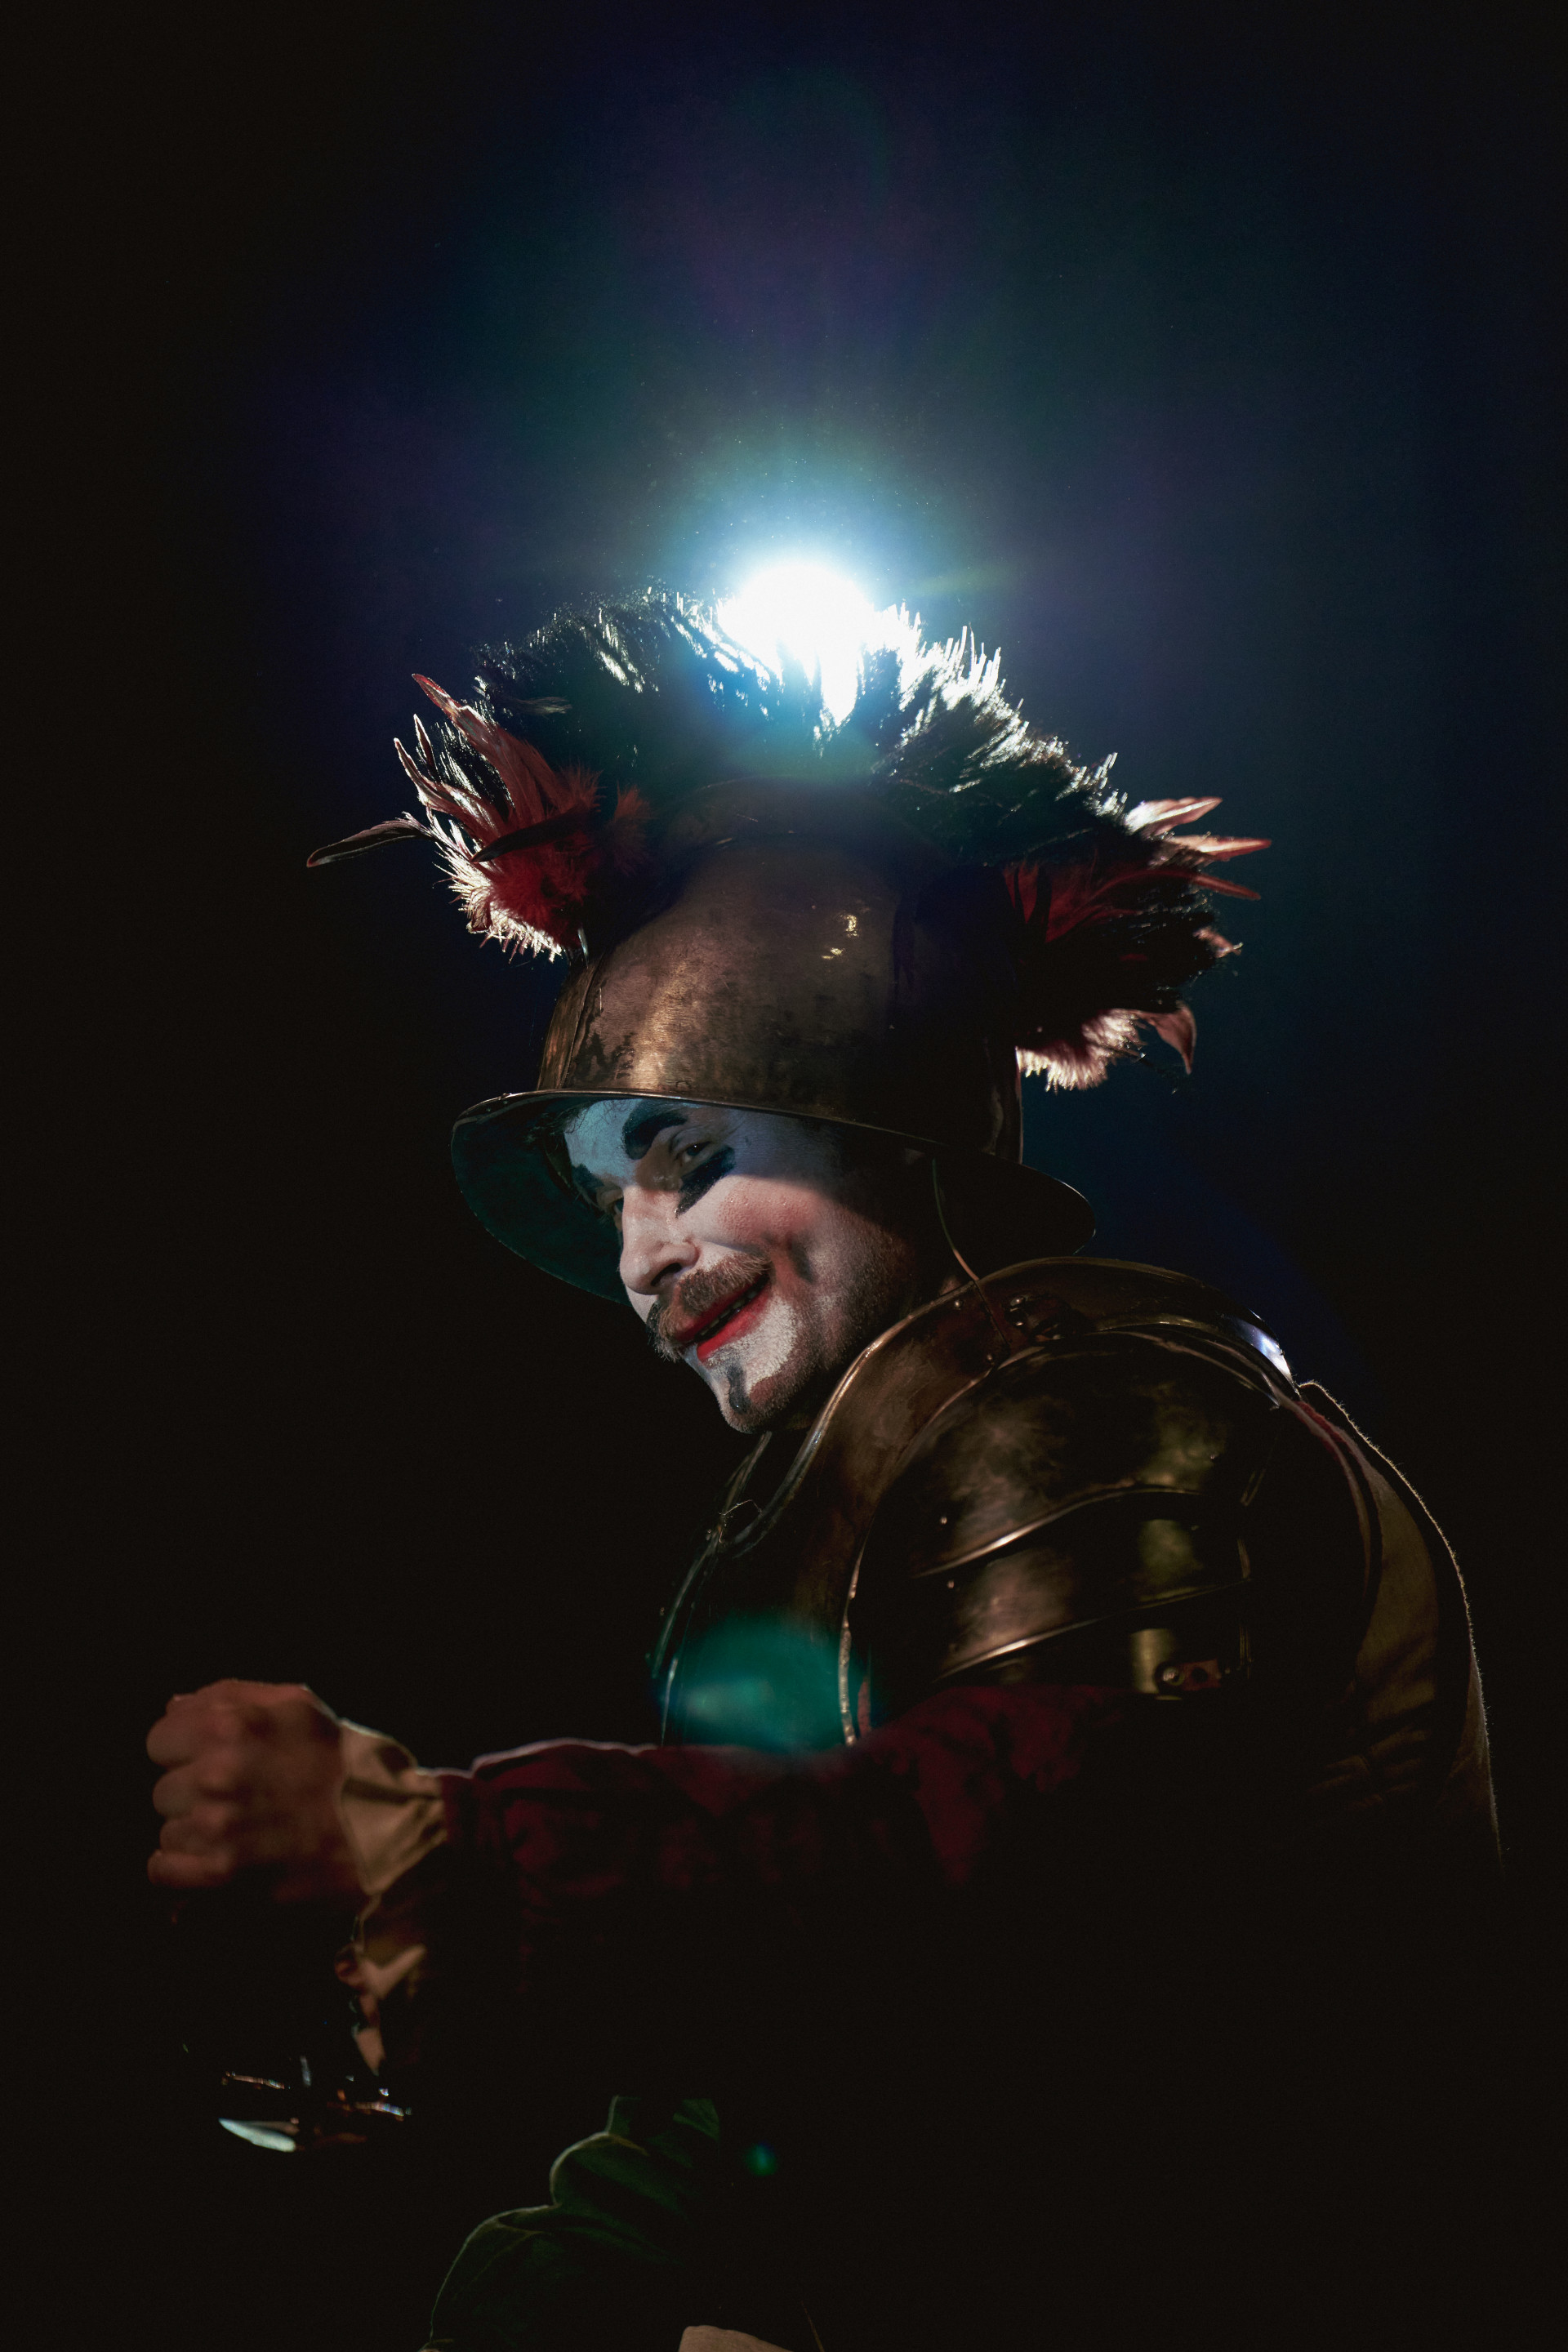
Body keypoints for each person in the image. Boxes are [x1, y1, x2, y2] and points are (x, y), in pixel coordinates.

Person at [147, 592, 1497, 2351]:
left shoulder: (1107, 1415)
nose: (640, 1256)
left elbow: (1001, 1889)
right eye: (610, 1195)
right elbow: (776, 2102)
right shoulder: (857, 1488)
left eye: (687, 1154)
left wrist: (447, 1851)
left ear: (885, 1112)